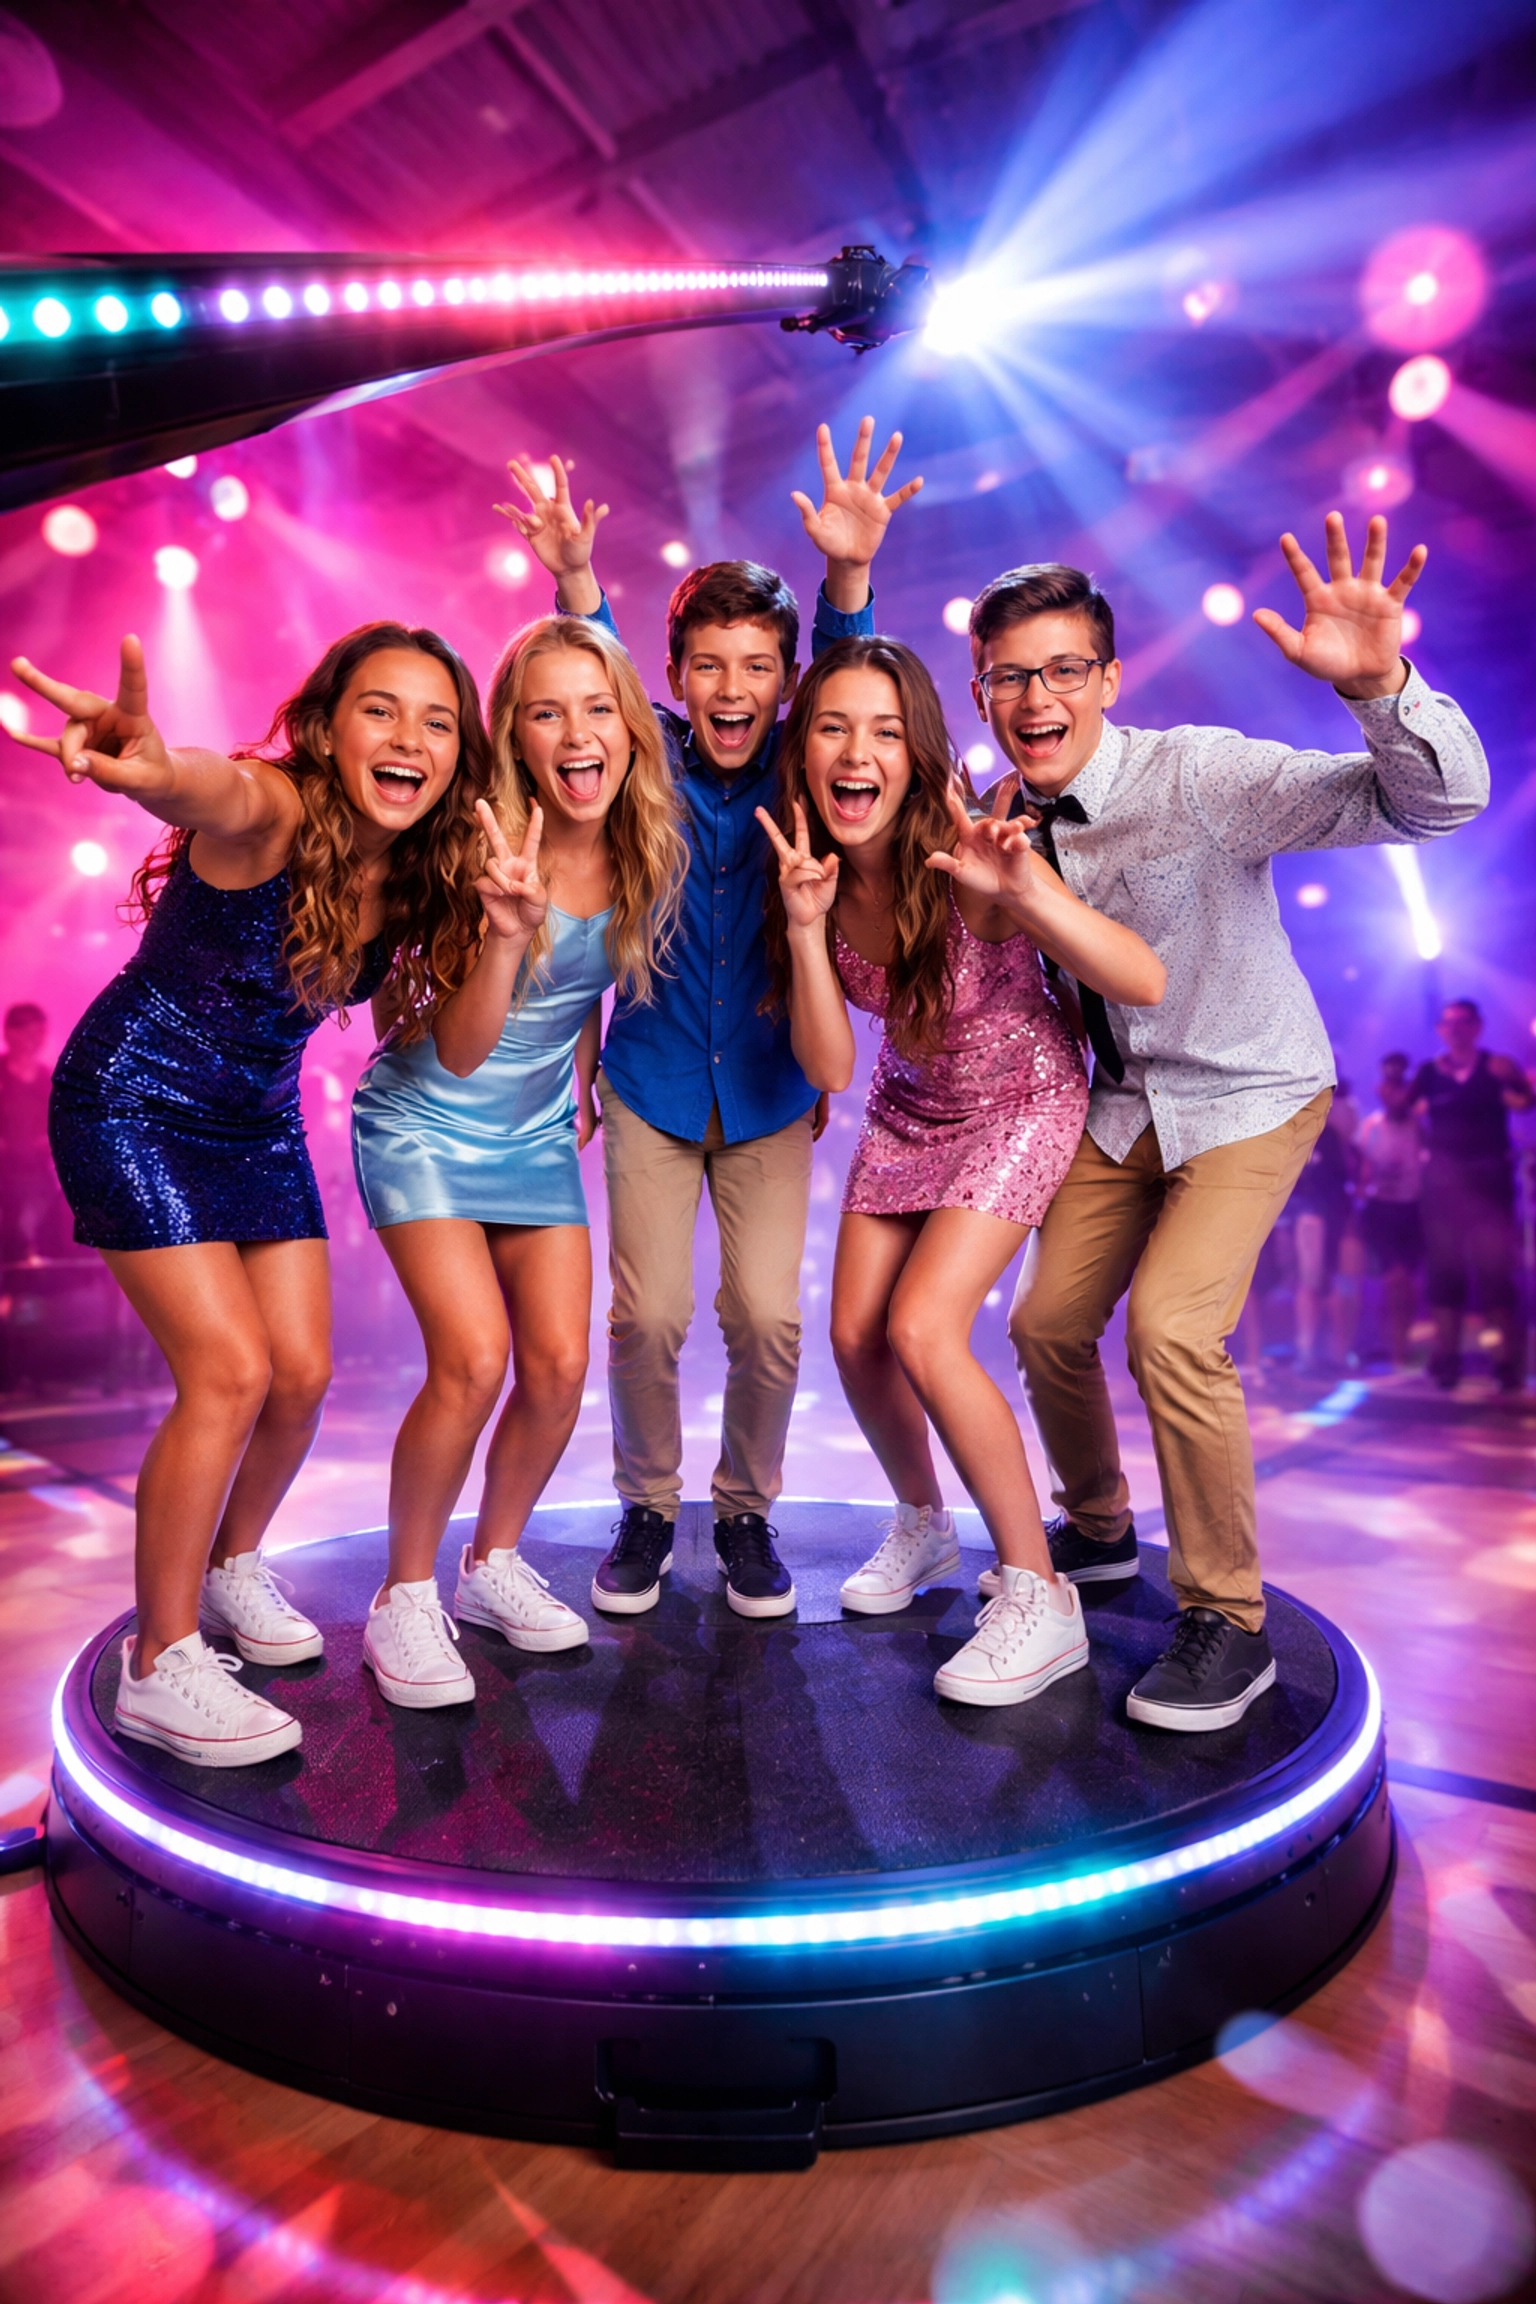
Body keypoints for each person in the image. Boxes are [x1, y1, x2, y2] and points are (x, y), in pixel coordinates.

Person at [976, 513, 1487, 1731]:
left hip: (1251, 1089)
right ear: (983, 689)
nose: (1034, 696)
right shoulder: (1002, 807)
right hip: (1123, 1103)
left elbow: (1432, 807)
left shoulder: (1199, 775)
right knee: (1046, 1323)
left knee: (1168, 1329)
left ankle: (1226, 1619)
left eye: (1060, 670)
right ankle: (1098, 1532)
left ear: (1106, 678)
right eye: (1007, 676)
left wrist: (1384, 692)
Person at [6, 625, 490, 1765]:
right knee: (229, 1373)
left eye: (436, 721)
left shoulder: (418, 875)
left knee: (303, 1376)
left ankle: (230, 1570)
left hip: (257, 1122)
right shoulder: (276, 809)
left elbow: (454, 1040)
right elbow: (207, 788)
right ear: (325, 728)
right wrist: (151, 764)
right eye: (381, 709)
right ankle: (157, 1665)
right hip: (131, 1099)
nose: (409, 738)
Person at [500, 421, 918, 1618]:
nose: (732, 689)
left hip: (778, 1087)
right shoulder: (643, 762)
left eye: (757, 668)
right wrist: (575, 578)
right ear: (679, 678)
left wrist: (848, 580)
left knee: (770, 1318)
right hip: (651, 1077)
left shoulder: (810, 759)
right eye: (709, 666)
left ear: (782, 682)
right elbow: (599, 678)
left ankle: (744, 1514)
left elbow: (851, 671)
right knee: (650, 1318)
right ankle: (646, 1505)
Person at [759, 637, 1164, 1707]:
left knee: (922, 1330)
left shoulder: (968, 853)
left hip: (1024, 1098)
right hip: (903, 1104)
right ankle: (926, 1525)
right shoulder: (807, 868)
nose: (859, 752)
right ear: (804, 754)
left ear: (918, 753)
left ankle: (1038, 1592)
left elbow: (1025, 922)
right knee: (851, 1334)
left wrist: (1010, 885)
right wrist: (806, 930)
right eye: (835, 728)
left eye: (887, 732)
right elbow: (832, 1067)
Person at [350, 616, 686, 1704]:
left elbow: (582, 981)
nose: (577, 732)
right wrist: (503, 932)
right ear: (517, 738)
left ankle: (490, 1563)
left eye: (598, 709)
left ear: (631, 731)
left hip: (536, 1128)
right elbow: (456, 1046)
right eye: (547, 711)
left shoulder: (644, 845)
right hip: (425, 1122)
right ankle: (403, 1596)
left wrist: (583, 1059)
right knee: (474, 1361)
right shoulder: (478, 848)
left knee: (556, 1369)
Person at [1411, 999, 1532, 1391]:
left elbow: (1527, 1103)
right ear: (1440, 1030)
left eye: (1463, 1022)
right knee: (1445, 1273)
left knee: (1496, 1274)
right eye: (1448, 1023)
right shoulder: (1430, 1072)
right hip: (1443, 1190)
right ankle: (1447, 1357)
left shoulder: (1495, 1068)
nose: (1456, 1029)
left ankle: (1505, 1363)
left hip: (1489, 1187)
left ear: (1478, 1027)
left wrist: (1514, 1078)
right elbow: (1402, 1112)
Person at [1287, 1078, 1360, 1373]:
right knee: (1311, 1284)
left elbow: (1338, 1180)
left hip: (1323, 1218)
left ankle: (1331, 1353)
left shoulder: (1326, 1137)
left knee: (1327, 1284)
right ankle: (1310, 1352)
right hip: (1311, 1218)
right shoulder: (1297, 1135)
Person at [1356, 1053, 1425, 1366]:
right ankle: (1394, 1347)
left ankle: (1401, 1342)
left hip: (1413, 1207)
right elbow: (1362, 1167)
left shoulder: (1420, 1126)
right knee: (1393, 1278)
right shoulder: (1371, 1126)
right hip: (1381, 1209)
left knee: (1407, 1280)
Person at [0, 1002, 69, 1262]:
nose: (36, 1041)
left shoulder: (46, 1079)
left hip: (36, 1171)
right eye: (30, 1033)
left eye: (40, 1034)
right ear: (10, 1034)